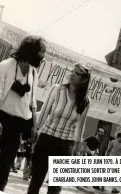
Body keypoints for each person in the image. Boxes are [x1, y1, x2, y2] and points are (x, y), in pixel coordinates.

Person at [0, 35, 45, 192]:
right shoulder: (5, 66)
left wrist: (34, 126)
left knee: (4, 169)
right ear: (32, 52)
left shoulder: (33, 73)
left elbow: (32, 102)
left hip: (18, 126)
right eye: (42, 52)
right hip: (0, 120)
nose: (43, 57)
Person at [27, 63, 91, 194]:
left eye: (76, 73)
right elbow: (44, 112)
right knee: (36, 181)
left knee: (55, 187)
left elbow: (80, 125)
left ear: (84, 80)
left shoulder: (85, 101)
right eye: (72, 71)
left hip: (65, 145)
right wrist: (36, 132)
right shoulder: (57, 89)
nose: (72, 74)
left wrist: (77, 147)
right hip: (46, 139)